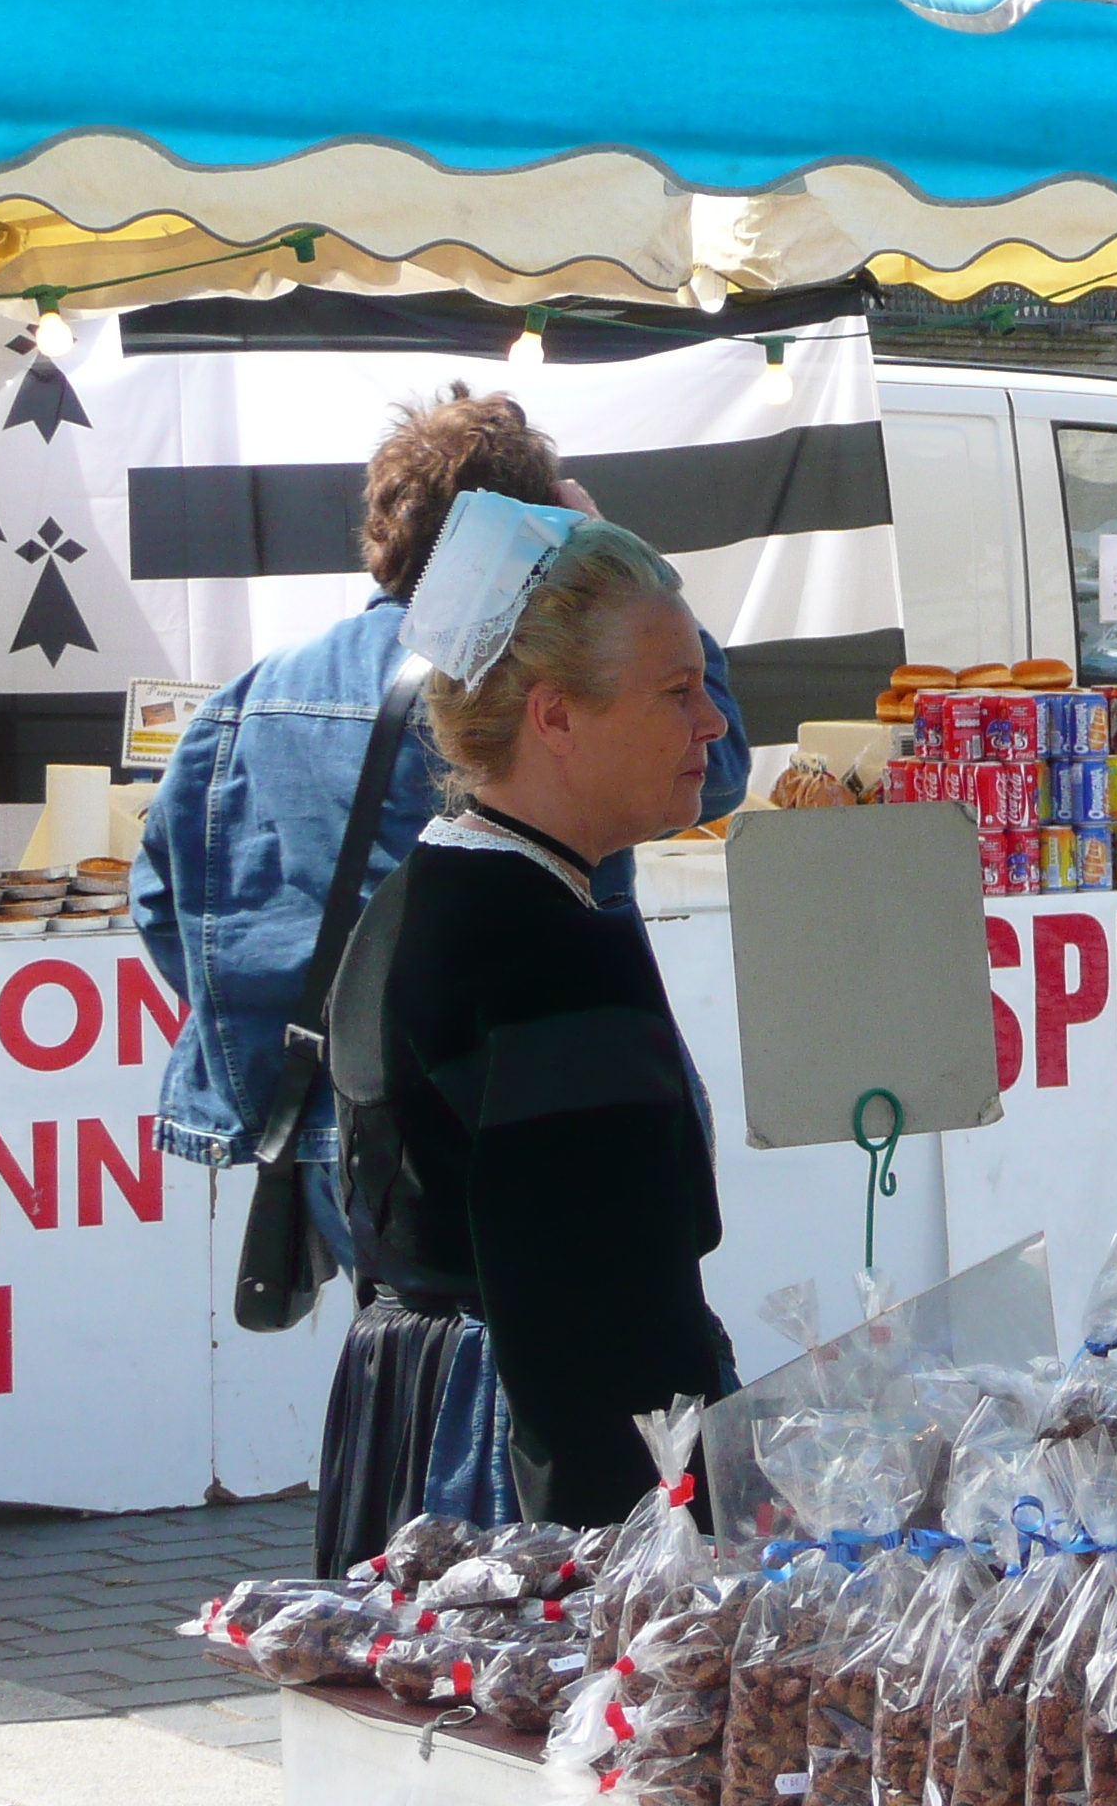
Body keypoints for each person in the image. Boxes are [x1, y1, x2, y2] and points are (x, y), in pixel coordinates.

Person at [134, 387, 749, 1564]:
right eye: (678, 695)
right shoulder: (530, 900)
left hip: (346, 1121)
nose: (704, 722)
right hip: (516, 1114)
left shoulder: (254, 696)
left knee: (428, 1376)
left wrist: (283, 1039)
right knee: (502, 1402)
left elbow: (168, 898)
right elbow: (593, 1350)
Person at [329, 500, 735, 1526]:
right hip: (519, 1474)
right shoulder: (544, 951)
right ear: (554, 715)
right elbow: (602, 1327)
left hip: (432, 1428)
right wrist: (675, 1552)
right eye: (677, 692)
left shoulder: (436, 887)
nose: (713, 722)